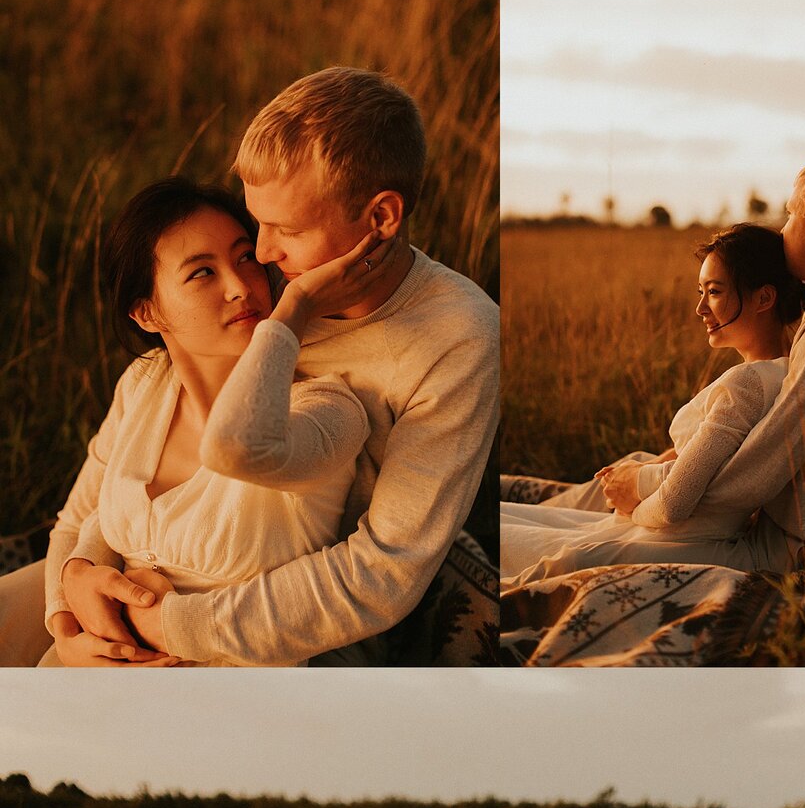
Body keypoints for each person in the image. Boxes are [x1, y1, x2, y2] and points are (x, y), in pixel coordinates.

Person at [43, 67, 499, 668]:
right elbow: (110, 486)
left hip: (281, 615)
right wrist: (74, 589)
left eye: (286, 229)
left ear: (381, 219)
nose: (259, 257)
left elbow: (383, 567)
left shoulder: (455, 334)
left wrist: (168, 626)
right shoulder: (256, 287)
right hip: (149, 573)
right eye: (257, 222)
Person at [34, 178, 382, 666]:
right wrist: (68, 615)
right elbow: (75, 520)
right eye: (202, 273)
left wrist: (295, 311)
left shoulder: (327, 410)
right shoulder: (145, 383)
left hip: (236, 694)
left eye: (246, 258)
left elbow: (244, 444)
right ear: (147, 312)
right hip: (91, 669)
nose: (241, 287)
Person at [598, 156, 805, 574]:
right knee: (638, 471)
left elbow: (756, 471)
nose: (784, 228)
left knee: (595, 559)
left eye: (791, 214)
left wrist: (642, 493)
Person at [501, 225, 805, 586]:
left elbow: (675, 503)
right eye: (700, 291)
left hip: (671, 535)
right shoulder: (783, 373)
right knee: (509, 520)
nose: (700, 308)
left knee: (508, 539)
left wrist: (630, 501)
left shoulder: (748, 384)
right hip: (669, 529)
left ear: (764, 298)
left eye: (714, 292)